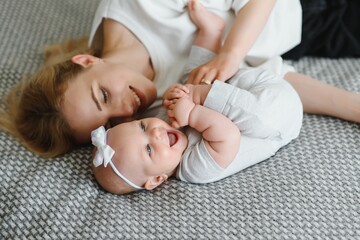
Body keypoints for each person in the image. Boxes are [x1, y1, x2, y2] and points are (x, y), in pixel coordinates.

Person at [0, 0, 359, 158]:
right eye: (111, 123)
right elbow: (264, 83)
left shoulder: (143, 5)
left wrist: (230, 53)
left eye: (103, 96)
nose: (127, 110)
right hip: (307, 32)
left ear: (86, 60)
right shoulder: (152, 111)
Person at [90, 1, 303, 194]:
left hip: (248, 84)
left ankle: (211, 33)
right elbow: (228, 136)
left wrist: (179, 93)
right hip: (279, 117)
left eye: (143, 126)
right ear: (156, 179)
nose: (155, 132)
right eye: (148, 149)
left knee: (194, 79)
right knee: (209, 94)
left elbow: (191, 80)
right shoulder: (194, 169)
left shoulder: (163, 123)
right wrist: (192, 111)